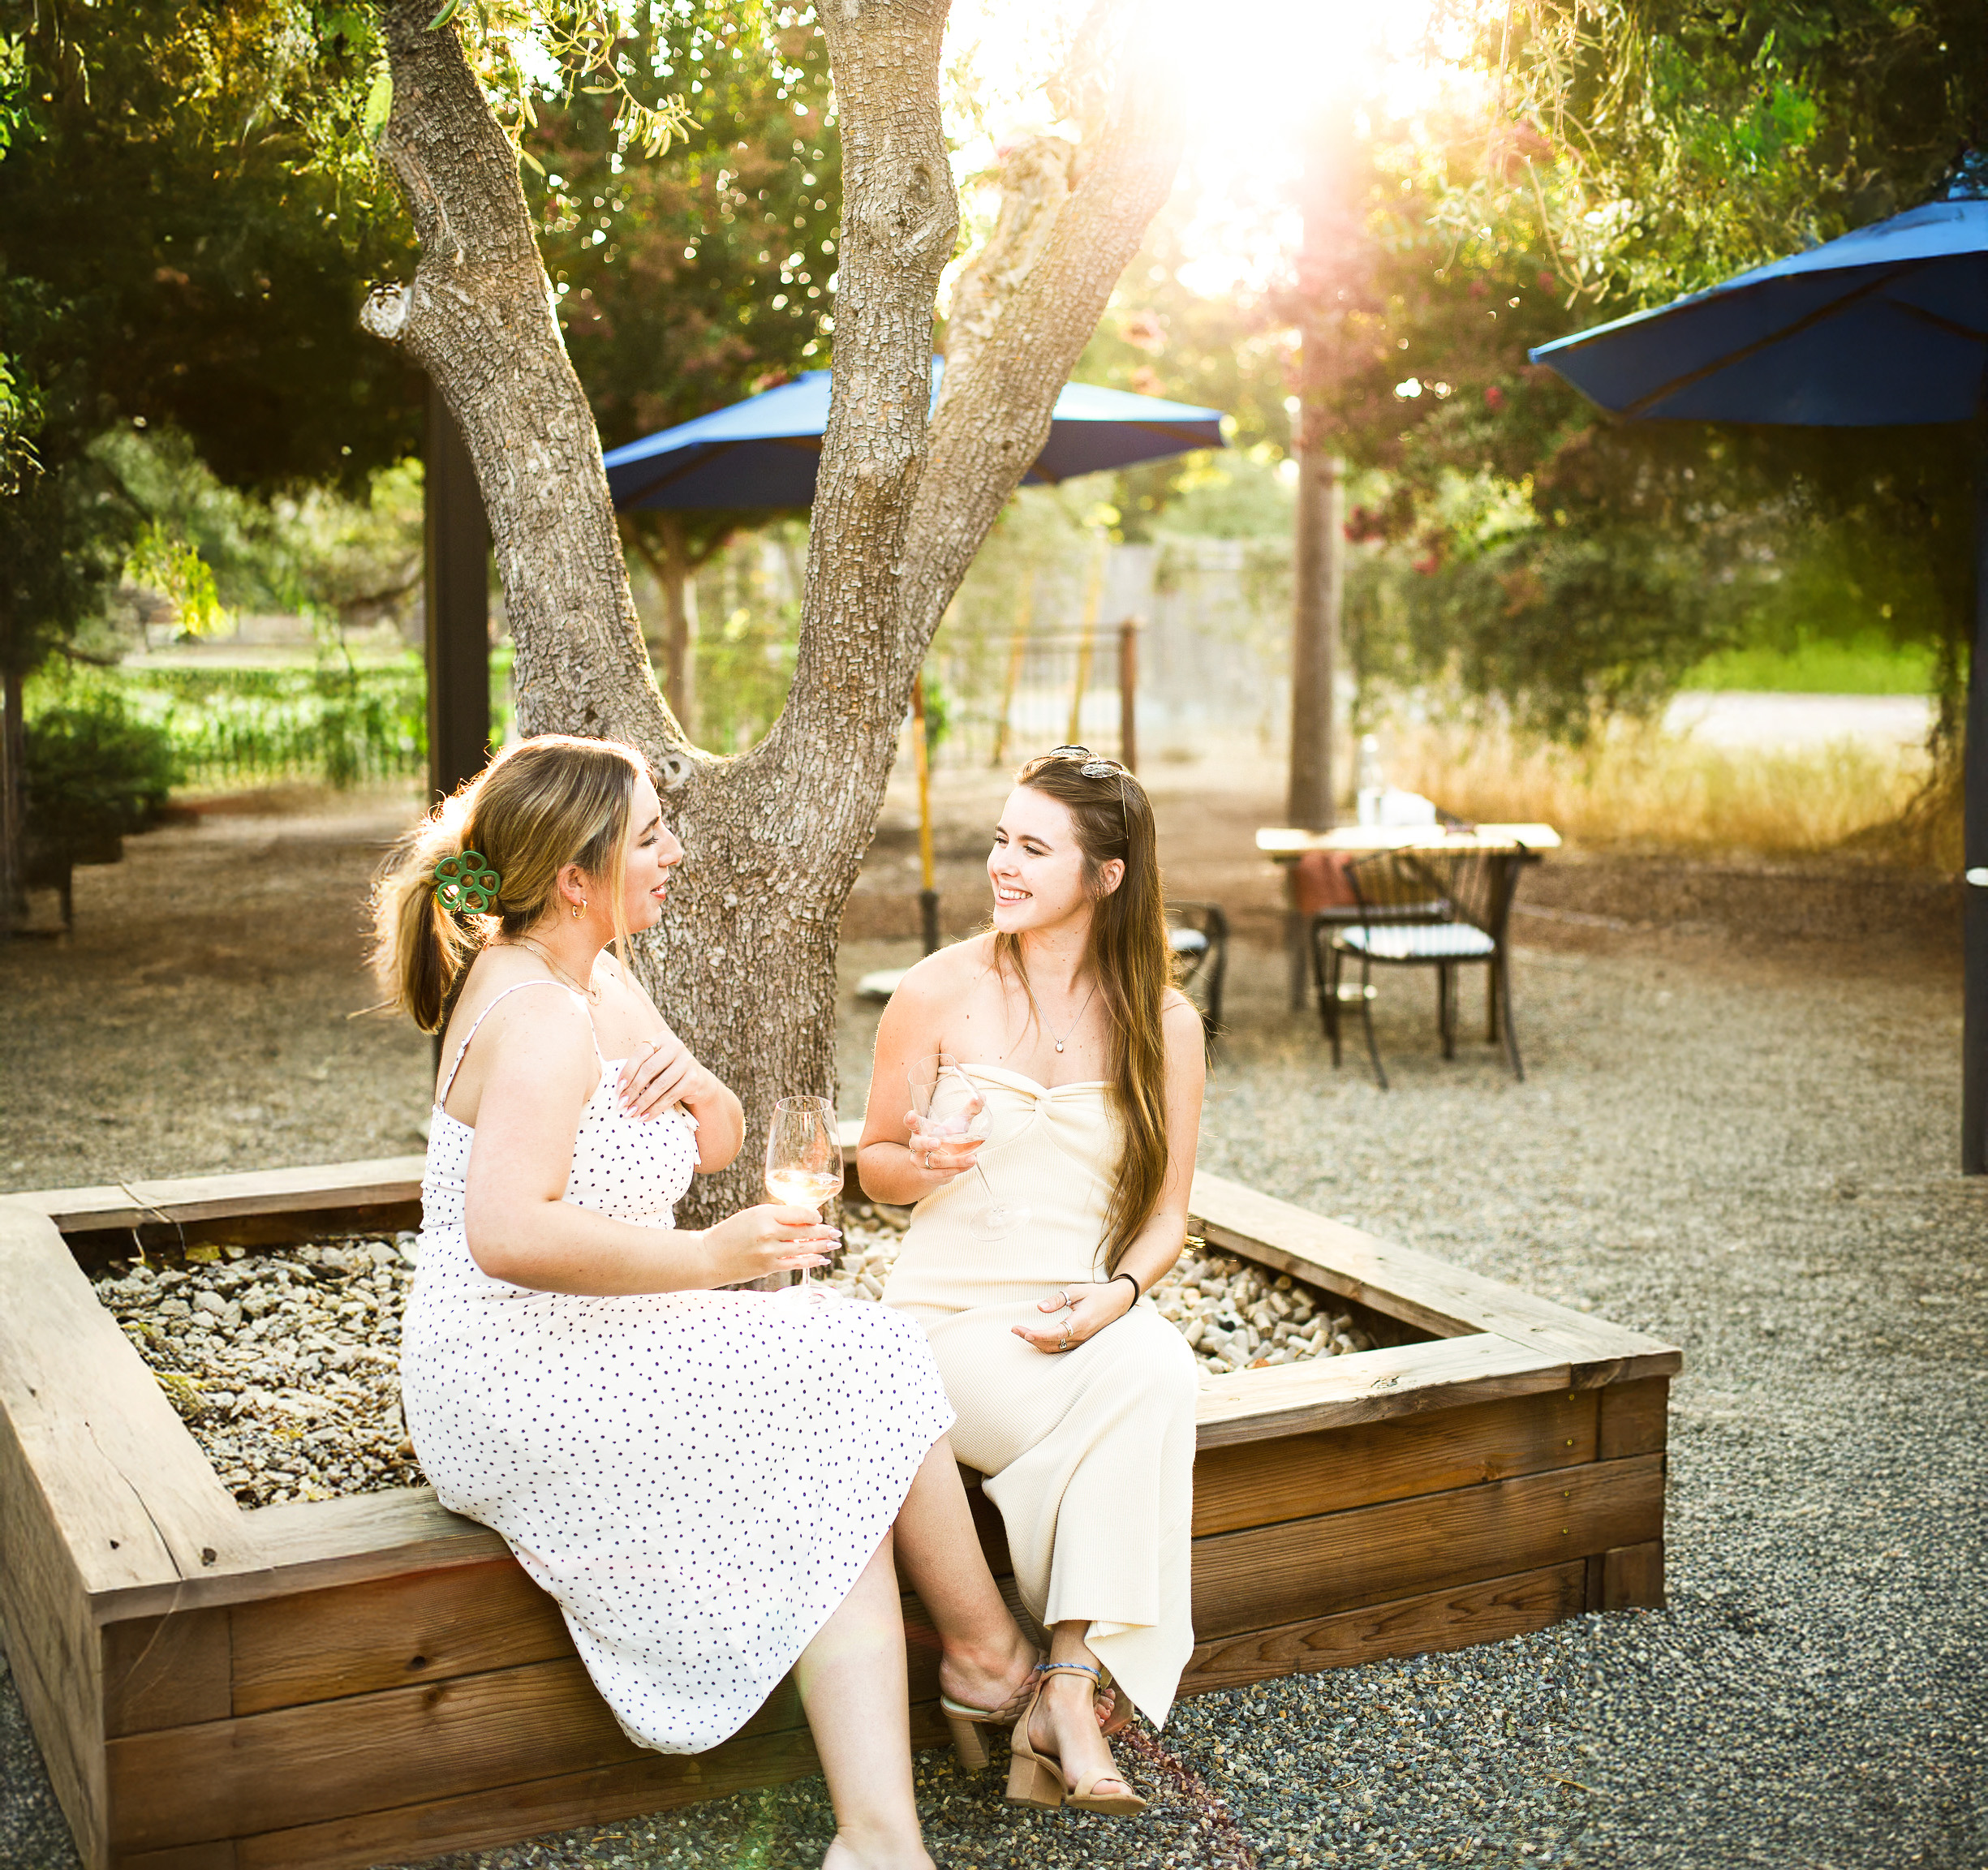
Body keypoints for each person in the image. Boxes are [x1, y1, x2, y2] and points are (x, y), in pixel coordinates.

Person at [373, 733, 1040, 1870]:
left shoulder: (597, 970)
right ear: (575, 875)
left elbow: (719, 1132)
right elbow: (507, 1231)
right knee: (856, 1375)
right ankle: (983, 1667)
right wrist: (715, 1258)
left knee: (862, 1361)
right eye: (647, 835)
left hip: (611, 1330)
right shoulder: (534, 1014)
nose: (674, 850)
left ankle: (891, 1818)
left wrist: (702, 1088)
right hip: (514, 1371)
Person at [857, 746, 1205, 1815]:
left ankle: (1054, 1680)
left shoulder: (1165, 1021)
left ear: (1104, 876)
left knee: (1154, 1364)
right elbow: (873, 1168)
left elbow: (1164, 1215)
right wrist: (926, 1163)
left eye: (1032, 847)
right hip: (950, 1317)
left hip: (1082, 1306)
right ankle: (1069, 1695)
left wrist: (1120, 1293)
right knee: (1138, 1394)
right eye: (1002, 839)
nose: (1001, 864)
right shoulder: (936, 989)